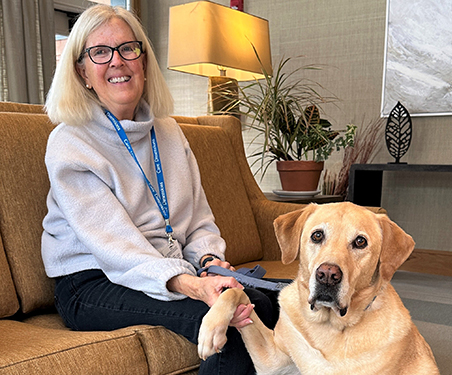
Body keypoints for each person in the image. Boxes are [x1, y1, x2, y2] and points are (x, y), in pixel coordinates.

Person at [42, 5, 280, 374]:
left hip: (170, 268)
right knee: (234, 323)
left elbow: (198, 219)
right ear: (82, 72)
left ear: (144, 60)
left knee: (266, 305)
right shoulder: (69, 143)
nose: (117, 62)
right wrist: (190, 285)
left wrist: (208, 261)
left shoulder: (168, 133)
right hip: (91, 282)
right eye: (100, 52)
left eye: (127, 49)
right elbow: (116, 249)